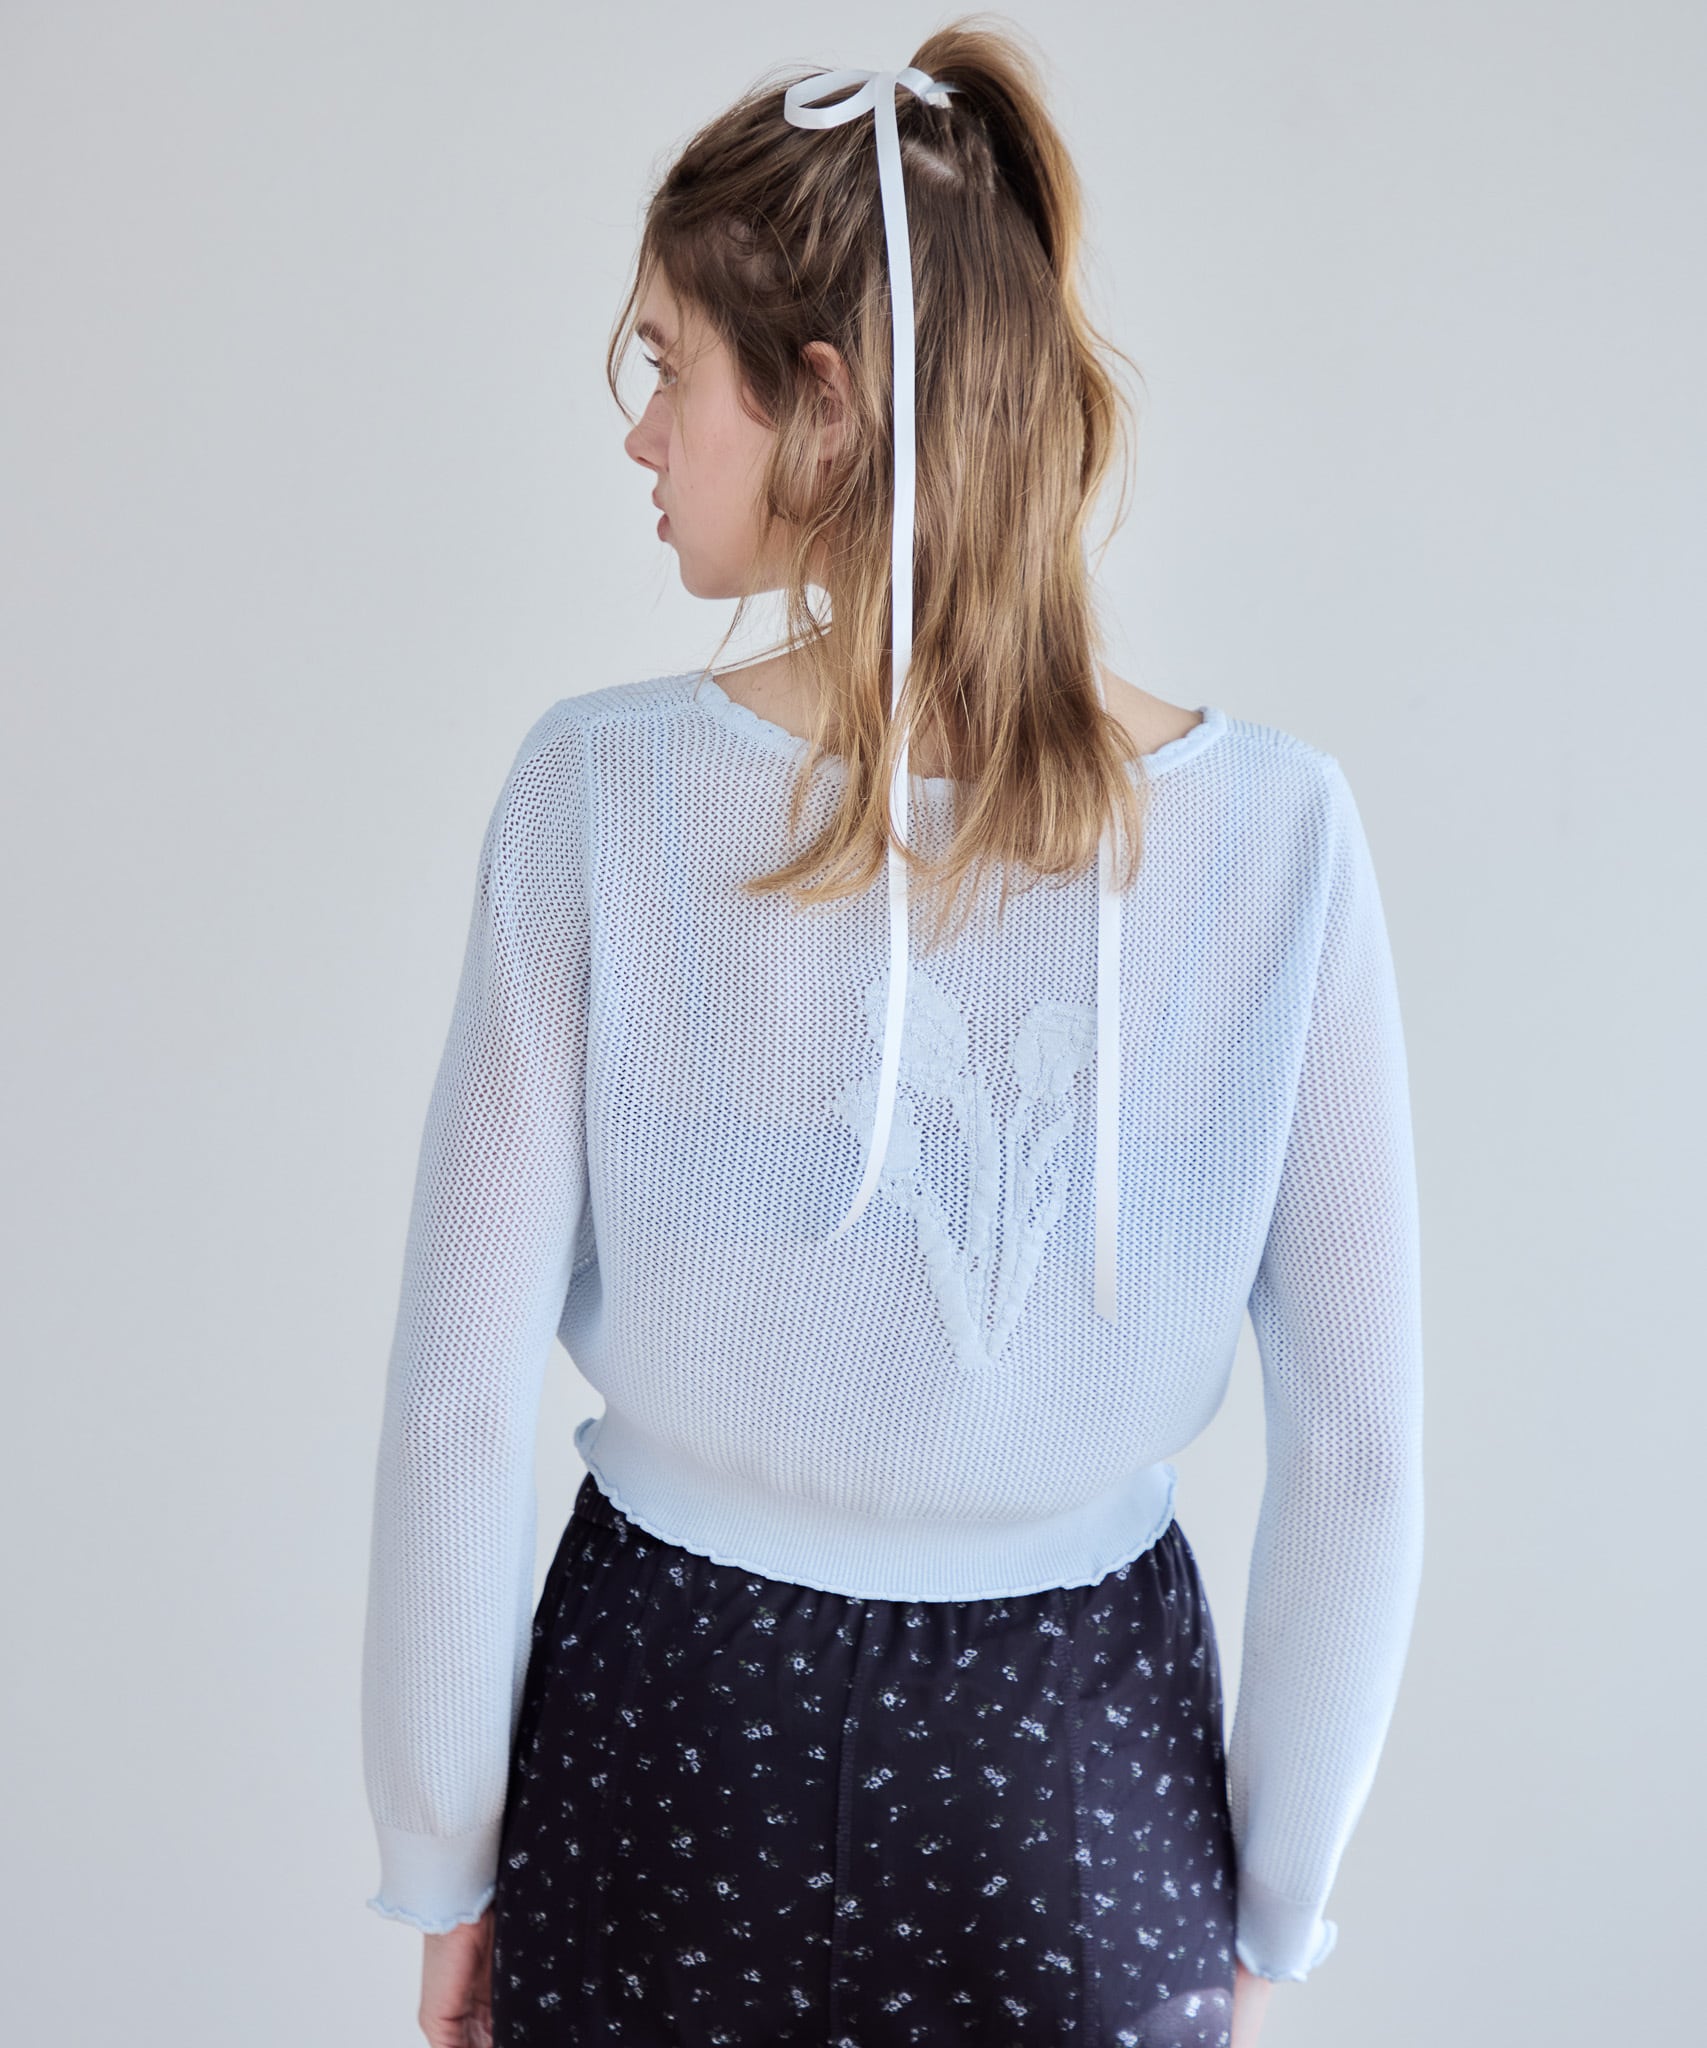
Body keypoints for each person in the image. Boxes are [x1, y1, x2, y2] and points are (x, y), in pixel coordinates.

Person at [359, 22, 1425, 2048]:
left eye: (668, 367)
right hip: (1078, 1784)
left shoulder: (594, 799)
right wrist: (1270, 1900)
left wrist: (442, 1852)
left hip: (661, 1751)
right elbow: (1360, 1457)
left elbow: (457, 1399)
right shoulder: (1278, 840)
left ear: (826, 403)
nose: (640, 433)